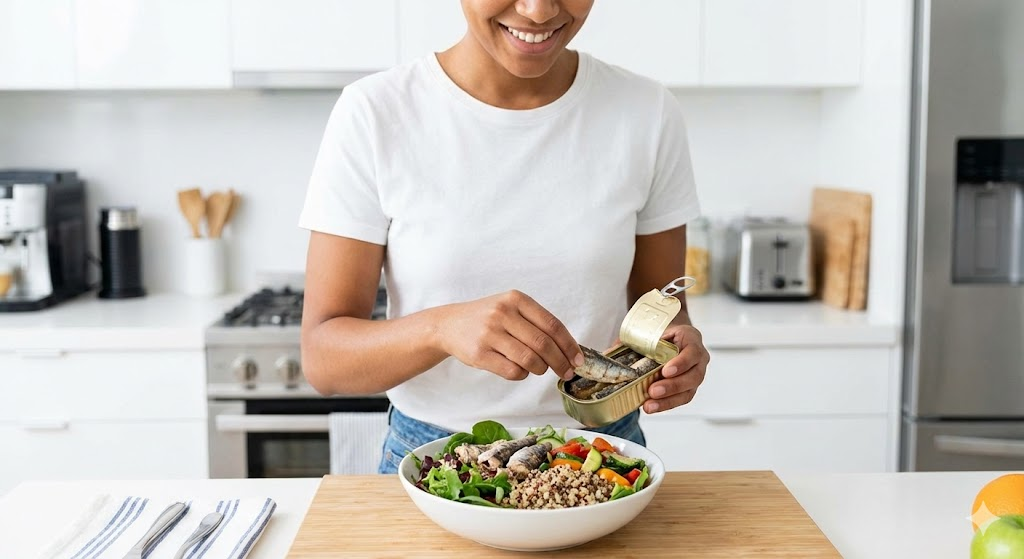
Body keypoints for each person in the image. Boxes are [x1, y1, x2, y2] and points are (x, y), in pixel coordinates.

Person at [298, 0, 711, 474]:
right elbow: (323, 358)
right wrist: (440, 329)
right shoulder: (375, 112)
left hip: (601, 457)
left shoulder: (648, 111)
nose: (538, 12)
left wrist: (677, 352)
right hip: (437, 461)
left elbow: (662, 305)